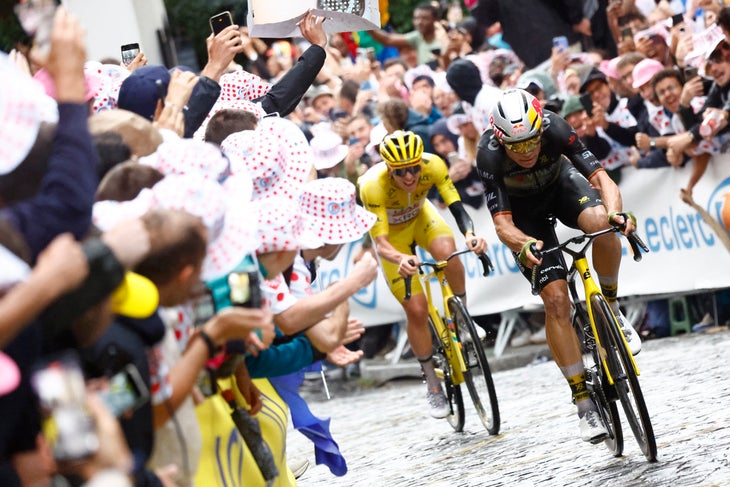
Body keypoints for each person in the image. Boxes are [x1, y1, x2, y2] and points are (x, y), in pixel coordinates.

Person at [475, 89, 641, 443]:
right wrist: (522, 244)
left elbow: (602, 179)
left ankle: (611, 309)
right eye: (516, 146)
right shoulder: (488, 154)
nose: (526, 151)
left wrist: (616, 213)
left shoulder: (556, 127)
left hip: (560, 186)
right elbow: (502, 224)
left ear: (541, 129)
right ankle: (583, 401)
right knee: (555, 300)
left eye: (531, 141)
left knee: (602, 222)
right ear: (501, 140)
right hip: (524, 214)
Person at [358, 130, 488, 419]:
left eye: (414, 168)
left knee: (449, 253)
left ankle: (463, 317)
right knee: (416, 309)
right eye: (400, 171)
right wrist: (401, 258)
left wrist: (470, 234)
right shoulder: (372, 186)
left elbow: (456, 206)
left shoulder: (434, 165)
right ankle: (432, 383)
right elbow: (381, 243)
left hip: (422, 219)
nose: (409, 177)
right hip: (393, 239)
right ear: (388, 168)